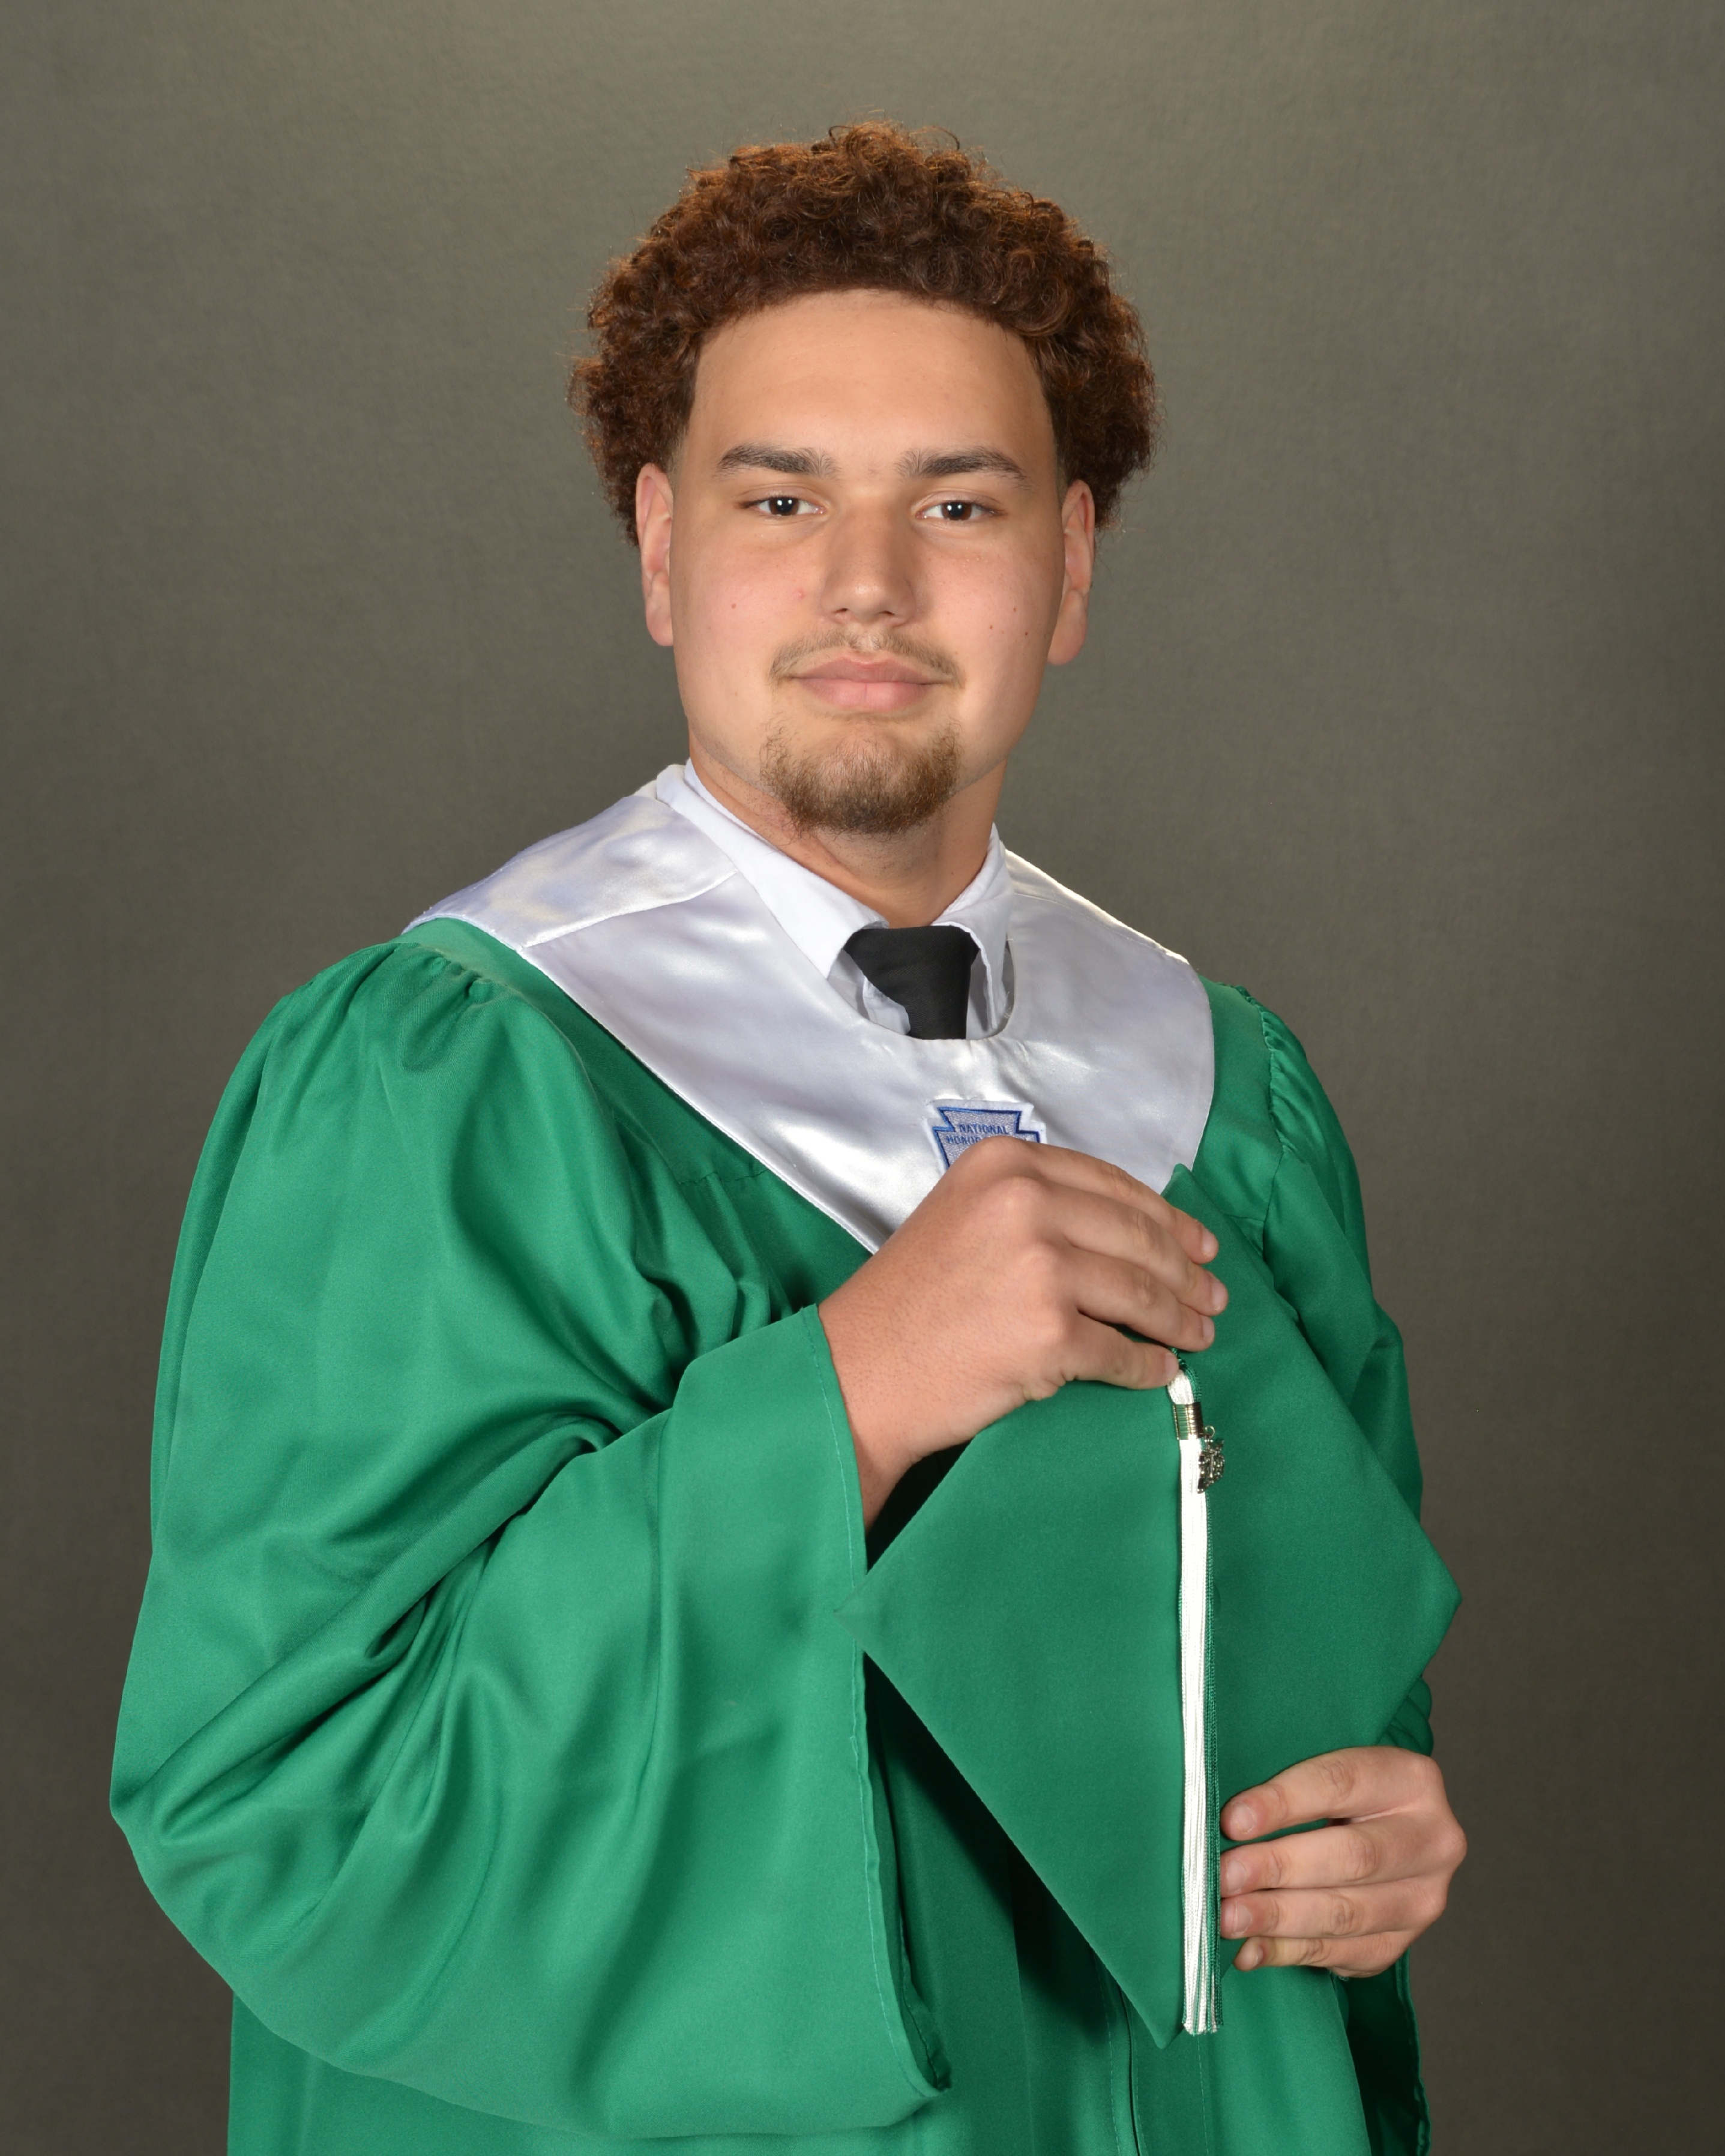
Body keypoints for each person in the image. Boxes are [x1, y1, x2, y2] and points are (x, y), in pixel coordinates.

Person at [113, 123, 1465, 2156]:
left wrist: (1372, 1833)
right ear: (662, 550)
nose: (867, 584)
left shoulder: (1226, 1093)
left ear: (1070, 564)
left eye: (957, 502)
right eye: (780, 497)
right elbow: (294, 1800)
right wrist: (842, 1396)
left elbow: (1316, 1685)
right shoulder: (449, 1080)